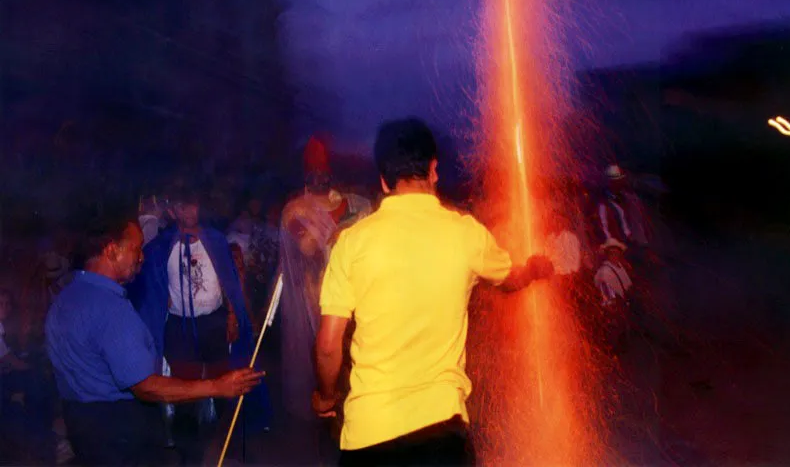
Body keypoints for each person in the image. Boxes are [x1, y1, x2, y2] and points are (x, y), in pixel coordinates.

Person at [313, 118, 554, 466]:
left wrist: (325, 397)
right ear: (434, 170)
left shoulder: (351, 243)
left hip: (370, 434)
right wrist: (533, 268)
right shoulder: (466, 234)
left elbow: (327, 346)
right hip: (442, 434)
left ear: (383, 180)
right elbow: (511, 279)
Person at [45, 213, 263, 466]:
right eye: (136, 249)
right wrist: (218, 387)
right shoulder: (109, 309)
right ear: (112, 250)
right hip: (119, 429)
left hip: (80, 421)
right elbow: (146, 386)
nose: (142, 257)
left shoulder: (67, 296)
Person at [128, 184, 270, 463]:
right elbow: (149, 283)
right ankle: (189, 455)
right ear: (172, 211)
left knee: (226, 386)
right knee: (185, 390)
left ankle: (233, 445)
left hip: (214, 324)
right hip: (181, 328)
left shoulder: (214, 240)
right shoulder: (160, 247)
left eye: (192, 205)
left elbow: (228, 281)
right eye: (182, 206)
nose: (189, 211)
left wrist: (232, 315)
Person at [279, 135, 371, 423]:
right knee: (323, 369)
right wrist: (341, 229)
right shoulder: (296, 209)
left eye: (324, 169)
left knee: (355, 374)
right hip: (315, 305)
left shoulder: (354, 204)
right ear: (305, 173)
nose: (319, 175)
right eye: (313, 170)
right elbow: (307, 246)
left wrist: (347, 224)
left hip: (354, 303)